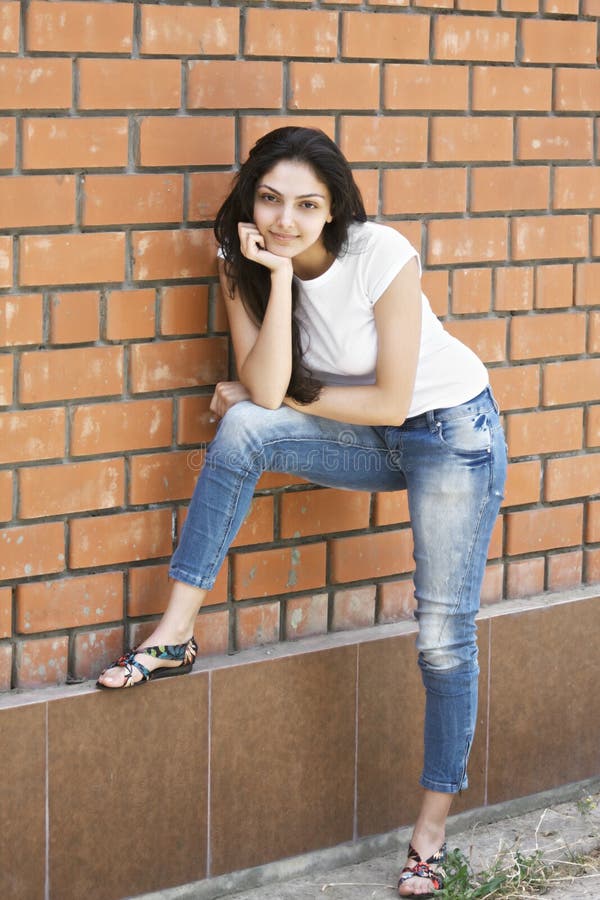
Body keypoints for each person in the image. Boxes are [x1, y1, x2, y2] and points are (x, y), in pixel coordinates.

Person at [97, 126, 507, 897]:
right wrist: (277, 282)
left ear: (334, 209)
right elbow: (262, 390)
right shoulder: (244, 265)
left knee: (443, 636)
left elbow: (387, 396)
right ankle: (175, 634)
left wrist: (269, 391)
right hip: (372, 439)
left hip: (451, 434)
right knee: (246, 426)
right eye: (271, 200)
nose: (286, 219)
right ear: (251, 201)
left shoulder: (379, 254)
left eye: (307, 204)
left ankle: (429, 839)